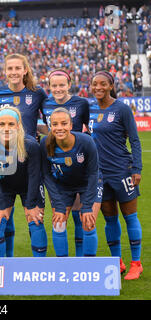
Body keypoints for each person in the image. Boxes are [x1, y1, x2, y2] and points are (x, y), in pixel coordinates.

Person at [0, 53, 48, 256]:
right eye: (10, 68)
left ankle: (38, 270)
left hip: (29, 161)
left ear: (25, 70)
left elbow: (50, 121)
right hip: (4, 162)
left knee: (34, 217)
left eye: (18, 68)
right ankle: (4, 267)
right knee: (0, 219)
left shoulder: (37, 93)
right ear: (5, 71)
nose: (14, 72)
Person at [89, 70, 143, 280]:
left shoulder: (121, 109)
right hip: (100, 175)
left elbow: (135, 140)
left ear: (111, 86)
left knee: (130, 217)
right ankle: (116, 262)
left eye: (103, 84)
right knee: (110, 220)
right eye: (95, 84)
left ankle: (136, 264)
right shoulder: (91, 108)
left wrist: (136, 168)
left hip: (121, 171)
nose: (98, 88)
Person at [0, 106, 47, 257]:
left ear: (18, 125)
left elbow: (34, 176)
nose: (6, 128)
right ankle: (2, 266)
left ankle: (40, 266)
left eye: (11, 124)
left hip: (29, 187)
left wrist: (31, 205)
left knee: (35, 221)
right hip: (4, 188)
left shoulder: (30, 145)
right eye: (2, 124)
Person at [41, 68, 90, 256]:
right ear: (50, 87)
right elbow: (45, 128)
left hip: (78, 164)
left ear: (69, 85)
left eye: (62, 85)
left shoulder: (81, 103)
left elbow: (89, 129)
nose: (58, 88)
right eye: (54, 85)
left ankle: (79, 259)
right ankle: (63, 262)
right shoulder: (45, 104)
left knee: (79, 216)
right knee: (59, 217)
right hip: (56, 166)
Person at [40, 108, 102, 258]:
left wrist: (87, 206)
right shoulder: (45, 144)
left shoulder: (86, 141)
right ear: (50, 126)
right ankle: (64, 266)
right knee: (59, 224)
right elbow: (47, 176)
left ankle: (88, 267)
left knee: (88, 222)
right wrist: (59, 206)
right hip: (63, 186)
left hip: (88, 184)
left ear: (71, 125)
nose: (59, 128)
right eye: (55, 124)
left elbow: (94, 174)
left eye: (63, 123)